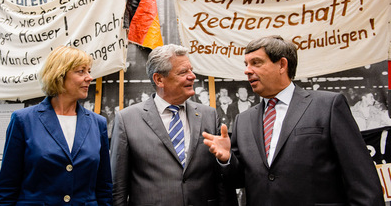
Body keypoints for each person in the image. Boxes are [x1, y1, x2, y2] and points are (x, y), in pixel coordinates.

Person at [203, 35, 385, 206]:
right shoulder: (244, 120)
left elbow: (362, 179)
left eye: (256, 63)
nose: (247, 70)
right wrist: (227, 160)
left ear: (282, 64)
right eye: (246, 64)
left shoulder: (327, 105)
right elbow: (241, 179)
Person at [110, 44, 237, 206]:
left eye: (191, 70)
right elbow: (118, 188)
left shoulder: (209, 115)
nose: (192, 76)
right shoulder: (127, 120)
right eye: (183, 72)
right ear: (159, 79)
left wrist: (225, 160)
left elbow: (225, 182)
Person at [0, 46, 112, 205]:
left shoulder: (98, 123)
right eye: (81, 71)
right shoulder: (23, 120)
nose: (89, 77)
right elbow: (7, 188)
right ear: (59, 75)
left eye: (89, 71)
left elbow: (104, 187)